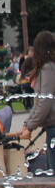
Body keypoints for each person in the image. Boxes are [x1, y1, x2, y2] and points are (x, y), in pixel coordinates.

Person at [18, 31, 55, 174]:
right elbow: (39, 101)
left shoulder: (48, 68)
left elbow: (44, 102)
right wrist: (27, 123)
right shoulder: (49, 67)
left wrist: (30, 126)